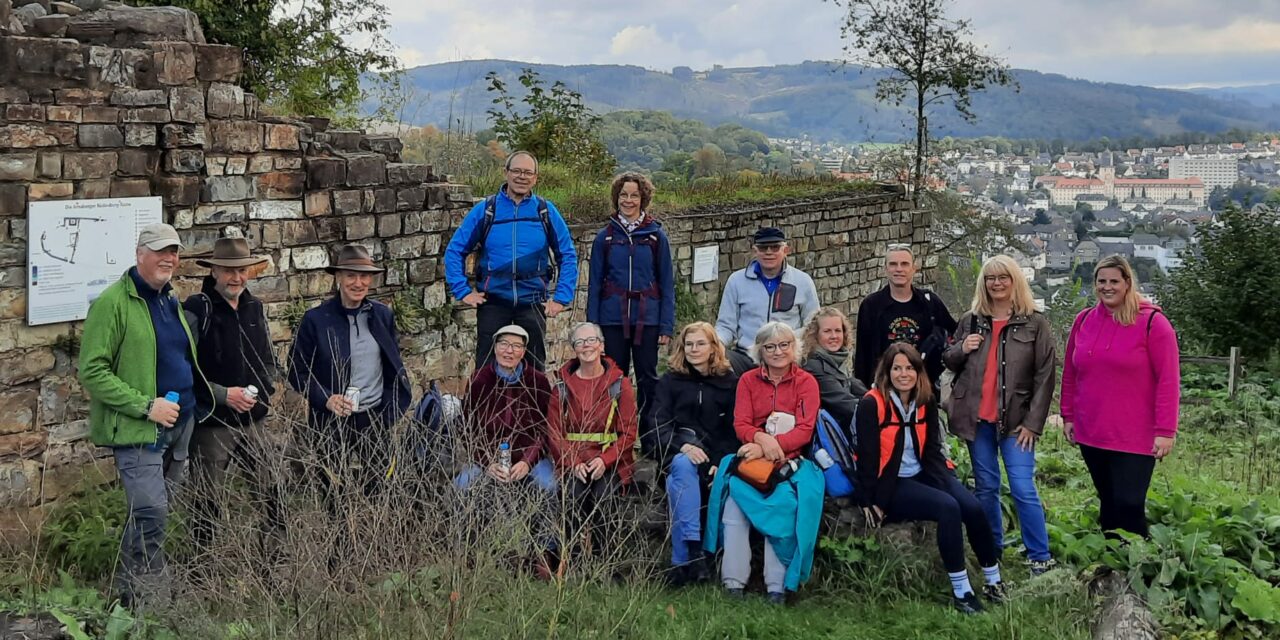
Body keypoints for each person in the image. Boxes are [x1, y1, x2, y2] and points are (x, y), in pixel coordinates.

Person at [79, 223, 213, 607]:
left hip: (179, 425)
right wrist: (145, 405)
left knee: (151, 515)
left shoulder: (169, 299)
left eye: (173, 252)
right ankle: (154, 604)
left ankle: (125, 597)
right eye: (159, 251)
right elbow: (92, 370)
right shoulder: (112, 303)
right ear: (139, 253)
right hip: (140, 429)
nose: (168, 258)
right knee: (152, 513)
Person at [856, 343, 1004, 614]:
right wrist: (868, 499)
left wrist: (948, 478)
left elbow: (933, 448)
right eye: (897, 368)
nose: (904, 374)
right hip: (891, 482)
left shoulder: (925, 400)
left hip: (926, 471)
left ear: (918, 371)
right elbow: (866, 456)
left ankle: (994, 580)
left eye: (909, 368)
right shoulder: (872, 404)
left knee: (971, 506)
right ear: (887, 372)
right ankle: (962, 591)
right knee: (948, 508)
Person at [943, 255, 1056, 575]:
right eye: (990, 278)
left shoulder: (1034, 322)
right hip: (976, 419)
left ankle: (1040, 556)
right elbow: (949, 359)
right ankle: (991, 551)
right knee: (986, 486)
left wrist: (1034, 424)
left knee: (1022, 486)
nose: (997, 283)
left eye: (1003, 277)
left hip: (1017, 423)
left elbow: (1045, 376)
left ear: (1014, 280)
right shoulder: (971, 320)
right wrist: (963, 347)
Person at [705, 322, 824, 605]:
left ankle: (777, 586)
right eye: (769, 347)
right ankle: (733, 582)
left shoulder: (806, 382)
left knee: (784, 507)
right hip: (751, 461)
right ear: (760, 351)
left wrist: (772, 446)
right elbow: (741, 423)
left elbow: (805, 429)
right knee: (733, 507)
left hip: (790, 462)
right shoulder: (747, 381)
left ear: (794, 348)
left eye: (784, 345)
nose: (777, 351)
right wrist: (760, 440)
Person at [1061, 255, 1180, 538]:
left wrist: (1166, 431)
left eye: (1114, 281)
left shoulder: (1153, 323)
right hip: (1092, 430)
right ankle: (1112, 565)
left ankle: (1140, 562)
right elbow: (1070, 372)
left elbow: (1169, 380)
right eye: (1101, 281)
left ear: (1127, 283)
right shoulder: (1084, 320)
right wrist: (1068, 415)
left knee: (1130, 503)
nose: (1107, 287)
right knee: (1109, 502)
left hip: (1136, 434)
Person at [288, 244, 412, 501]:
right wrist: (326, 399)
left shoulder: (381, 315)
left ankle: (376, 539)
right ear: (338, 277)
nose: (358, 282)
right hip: (331, 423)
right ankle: (340, 541)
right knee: (334, 494)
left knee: (381, 491)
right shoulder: (316, 319)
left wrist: (389, 407)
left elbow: (392, 363)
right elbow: (296, 370)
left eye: (364, 276)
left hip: (375, 419)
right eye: (351, 275)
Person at [183, 237, 282, 552]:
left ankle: (274, 561)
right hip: (213, 425)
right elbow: (185, 369)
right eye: (228, 270)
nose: (236, 277)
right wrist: (224, 395)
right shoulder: (198, 309)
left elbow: (267, 355)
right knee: (207, 501)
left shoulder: (255, 306)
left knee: (272, 491)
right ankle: (203, 570)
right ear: (213, 270)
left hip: (254, 422)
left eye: (242, 270)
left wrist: (266, 388)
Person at [444, 150, 578, 371]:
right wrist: (463, 291)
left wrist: (562, 297)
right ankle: (486, 406)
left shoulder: (545, 211)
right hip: (493, 301)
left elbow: (567, 254)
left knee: (534, 369)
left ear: (535, 177)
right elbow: (455, 250)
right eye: (516, 171)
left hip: (533, 301)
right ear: (505, 173)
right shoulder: (487, 210)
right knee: (487, 367)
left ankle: (532, 407)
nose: (522, 177)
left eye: (528, 172)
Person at [586, 172, 675, 446]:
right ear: (617, 198)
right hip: (612, 317)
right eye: (623, 195)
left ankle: (649, 438)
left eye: (634, 195)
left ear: (643, 198)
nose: (628, 200)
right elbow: (595, 284)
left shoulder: (656, 237)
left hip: (647, 317)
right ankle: (613, 436)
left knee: (649, 379)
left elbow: (666, 282)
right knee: (613, 377)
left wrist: (666, 325)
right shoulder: (606, 238)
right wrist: (593, 328)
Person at [650, 322, 739, 585]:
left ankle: (681, 561)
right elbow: (656, 423)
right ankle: (697, 553)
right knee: (681, 467)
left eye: (700, 343)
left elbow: (734, 429)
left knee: (678, 483)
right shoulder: (670, 381)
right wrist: (681, 446)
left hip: (714, 458)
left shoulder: (729, 383)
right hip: (677, 453)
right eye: (688, 344)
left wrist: (719, 463)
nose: (693, 349)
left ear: (713, 347)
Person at [548, 322, 639, 559]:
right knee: (572, 496)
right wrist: (573, 462)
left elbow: (629, 432)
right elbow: (555, 432)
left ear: (602, 345)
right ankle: (573, 559)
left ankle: (605, 561)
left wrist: (605, 460)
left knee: (603, 497)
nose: (586, 346)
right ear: (574, 349)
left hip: (610, 460)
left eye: (591, 341)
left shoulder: (620, 385)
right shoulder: (561, 387)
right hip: (574, 461)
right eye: (580, 342)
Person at [456, 324, 556, 493]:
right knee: (461, 486)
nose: (509, 351)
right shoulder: (479, 379)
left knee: (549, 487)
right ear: (495, 347)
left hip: (527, 456)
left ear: (523, 352)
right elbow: (467, 428)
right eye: (503, 344)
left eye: (516, 346)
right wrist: (487, 463)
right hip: (489, 456)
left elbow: (546, 428)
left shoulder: (537, 381)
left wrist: (527, 461)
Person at [715, 227, 820, 375]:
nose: (769, 252)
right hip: (746, 357)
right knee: (716, 362)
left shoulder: (802, 281)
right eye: (763, 248)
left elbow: (812, 325)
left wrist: (787, 341)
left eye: (775, 247)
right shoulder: (736, 281)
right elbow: (725, 326)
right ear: (754, 251)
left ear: (786, 250)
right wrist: (714, 344)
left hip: (787, 357)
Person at [854, 243, 956, 390]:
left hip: (923, 389)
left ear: (913, 268)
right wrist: (863, 393)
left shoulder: (930, 303)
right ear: (885, 269)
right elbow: (862, 356)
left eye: (904, 264)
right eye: (893, 264)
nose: (899, 269)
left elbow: (954, 335)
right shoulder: (871, 305)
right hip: (883, 388)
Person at [801, 307, 868, 435]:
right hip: (829, 435)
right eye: (827, 331)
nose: (834, 336)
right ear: (815, 335)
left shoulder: (841, 359)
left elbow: (857, 388)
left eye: (838, 330)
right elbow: (842, 402)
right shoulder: (813, 366)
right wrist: (878, 410)